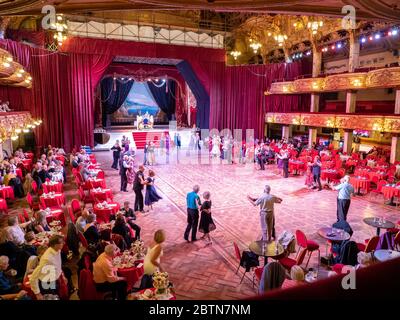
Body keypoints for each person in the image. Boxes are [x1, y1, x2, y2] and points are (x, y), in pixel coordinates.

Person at [29, 235, 67, 300]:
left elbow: (58, 264)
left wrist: (62, 276)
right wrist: (37, 293)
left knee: (58, 296)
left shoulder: (57, 250)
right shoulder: (47, 259)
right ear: (55, 245)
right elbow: (33, 277)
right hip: (47, 284)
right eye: (61, 242)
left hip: (54, 279)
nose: (64, 243)